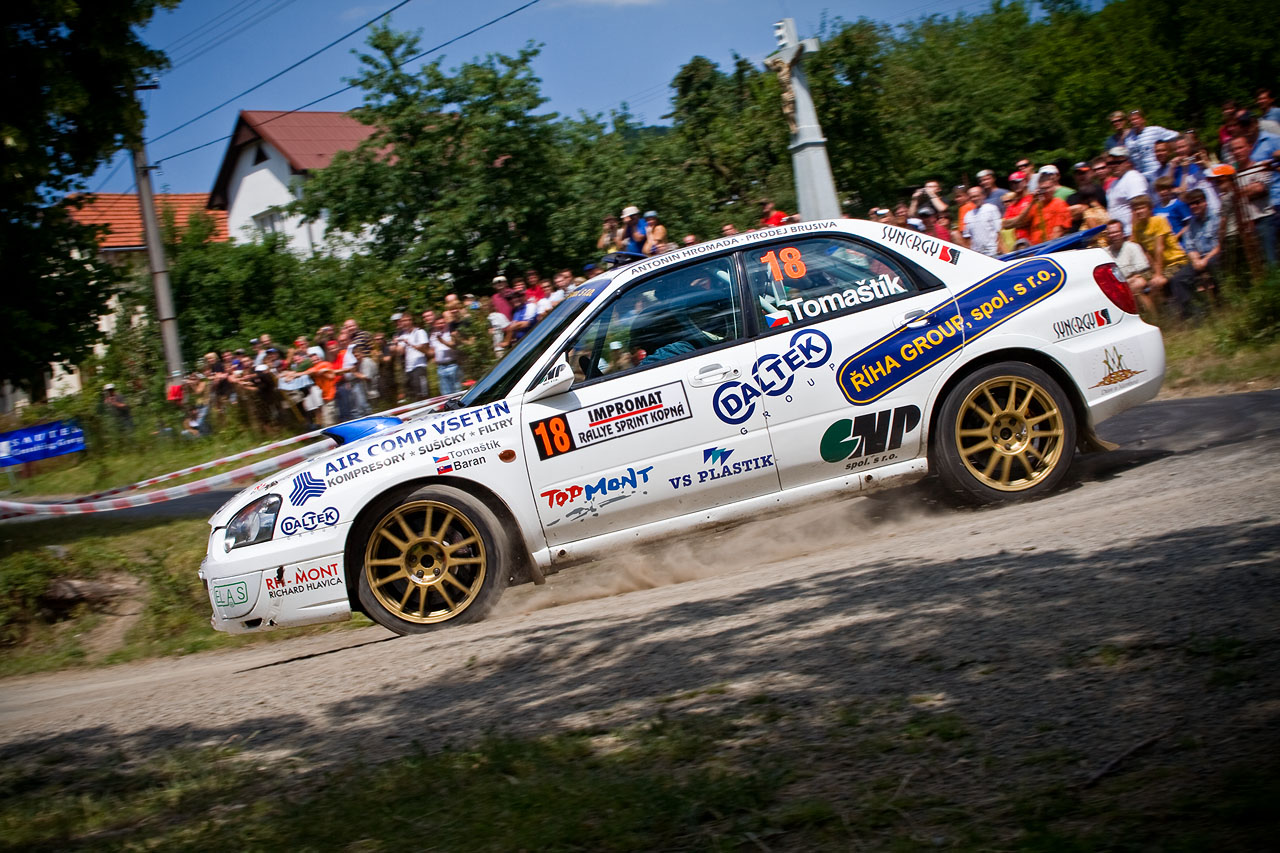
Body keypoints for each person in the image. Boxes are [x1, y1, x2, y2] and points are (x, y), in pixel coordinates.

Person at [1130, 195, 1192, 316]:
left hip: (1175, 261)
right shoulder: (1137, 227)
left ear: (1149, 209)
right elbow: (1145, 251)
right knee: (1135, 285)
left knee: (1156, 283)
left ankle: (1168, 316)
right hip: (1159, 266)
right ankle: (1154, 318)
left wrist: (1158, 274)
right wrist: (1154, 270)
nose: (1139, 211)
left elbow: (1159, 248)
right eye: (1136, 209)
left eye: (1142, 207)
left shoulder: (1158, 220)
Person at [1229, 134, 1276, 265]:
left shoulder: (1261, 167)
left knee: (1270, 260)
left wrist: (1238, 191)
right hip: (1246, 224)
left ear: (1249, 147)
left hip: (1264, 220)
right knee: (1255, 264)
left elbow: (1259, 188)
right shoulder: (1233, 175)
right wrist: (1248, 189)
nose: (1237, 152)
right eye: (1233, 149)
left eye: (1240, 148)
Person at [1183, 189, 1222, 296]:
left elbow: (1220, 243)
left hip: (1216, 256)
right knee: (1180, 278)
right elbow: (1189, 247)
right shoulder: (1191, 224)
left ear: (1205, 202)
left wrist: (1205, 260)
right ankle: (1194, 310)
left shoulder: (1216, 217)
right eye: (1191, 204)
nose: (1193, 206)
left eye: (1197, 202)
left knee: (1214, 267)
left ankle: (1223, 301)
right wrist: (1196, 260)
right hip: (1199, 260)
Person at [1123, 109, 1179, 183]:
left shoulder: (1154, 130)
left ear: (1143, 119)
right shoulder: (1128, 139)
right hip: (1140, 176)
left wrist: (1175, 154)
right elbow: (1129, 158)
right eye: (1131, 120)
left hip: (1156, 172)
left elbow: (1176, 136)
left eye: (1136, 119)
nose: (1134, 121)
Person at [1103, 218, 1151, 301]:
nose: (1113, 235)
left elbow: (1142, 269)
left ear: (1122, 233)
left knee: (1139, 283)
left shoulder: (1133, 247)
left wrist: (1127, 280)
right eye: (1110, 233)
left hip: (1132, 281)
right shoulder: (1104, 252)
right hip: (1114, 286)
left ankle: (1151, 314)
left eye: (1116, 232)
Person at [1105, 147, 1148, 233]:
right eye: (1111, 163)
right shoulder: (1114, 183)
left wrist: (1133, 235)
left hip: (1133, 232)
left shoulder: (1133, 178)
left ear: (1128, 162)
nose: (1114, 166)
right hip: (1120, 234)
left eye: (1118, 162)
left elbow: (1139, 208)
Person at [393, 312, 430, 401]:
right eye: (403, 321)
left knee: (422, 392)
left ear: (411, 321)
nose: (405, 323)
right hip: (409, 368)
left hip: (419, 365)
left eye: (407, 320)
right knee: (413, 394)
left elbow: (425, 348)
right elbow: (400, 351)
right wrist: (395, 344)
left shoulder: (419, 332)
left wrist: (409, 343)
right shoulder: (403, 335)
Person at [961, 185, 1002, 257]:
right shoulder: (968, 215)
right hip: (978, 255)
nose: (974, 199)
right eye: (972, 197)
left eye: (977, 196)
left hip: (993, 252)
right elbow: (967, 237)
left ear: (983, 196)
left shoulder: (991, 208)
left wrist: (1000, 247)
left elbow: (999, 230)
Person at [429, 315, 463, 396]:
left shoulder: (450, 333)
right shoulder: (433, 336)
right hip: (441, 368)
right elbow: (432, 350)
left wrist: (441, 341)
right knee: (446, 394)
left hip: (453, 366)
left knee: (457, 391)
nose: (441, 325)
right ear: (435, 324)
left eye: (443, 323)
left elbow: (454, 345)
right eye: (439, 323)